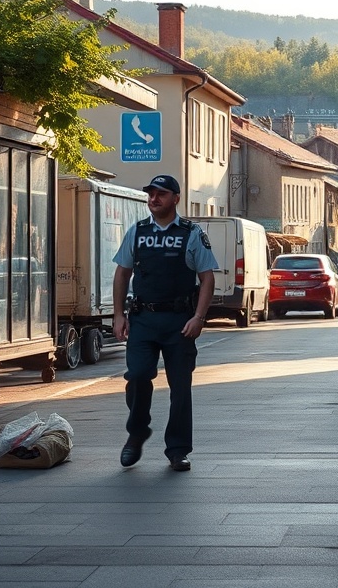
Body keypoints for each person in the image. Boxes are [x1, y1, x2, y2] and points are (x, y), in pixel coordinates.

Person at [112, 174, 217, 472]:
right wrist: (119, 315)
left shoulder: (191, 233)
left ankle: (177, 450)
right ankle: (137, 431)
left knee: (180, 387)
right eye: (151, 193)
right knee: (138, 375)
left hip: (179, 321)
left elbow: (207, 276)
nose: (154, 198)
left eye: (161, 193)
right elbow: (122, 274)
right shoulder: (138, 231)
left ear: (176, 198)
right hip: (143, 319)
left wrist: (198, 317)